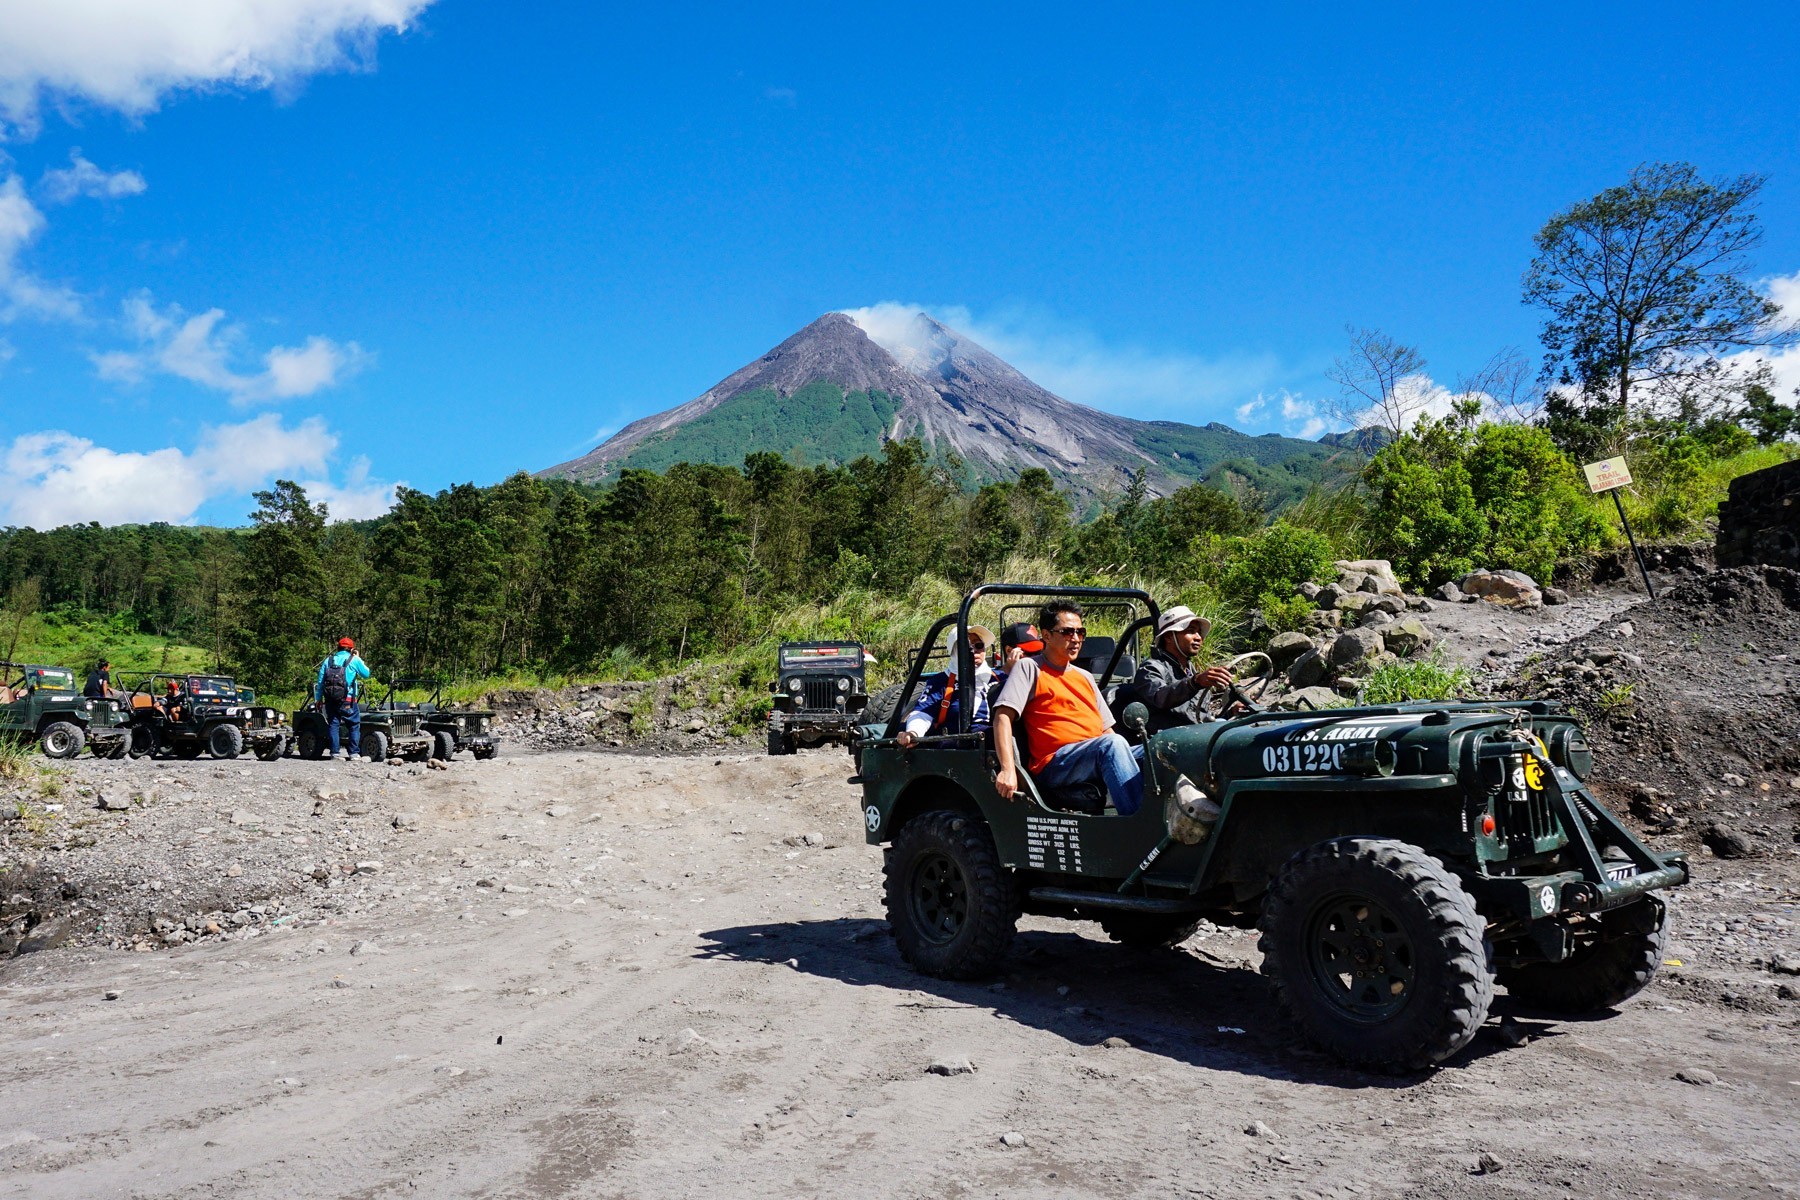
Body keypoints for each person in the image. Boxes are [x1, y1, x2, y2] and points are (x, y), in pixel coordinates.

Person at [993, 600, 1145, 815]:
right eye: (1067, 632)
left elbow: (1106, 729)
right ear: (1046, 636)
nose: (1075, 639)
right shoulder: (1029, 667)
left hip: (1094, 751)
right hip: (1056, 762)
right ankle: (1140, 827)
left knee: (1163, 748)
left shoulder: (1084, 676)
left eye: (1080, 632)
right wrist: (1008, 769)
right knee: (1112, 745)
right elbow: (1002, 717)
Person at [1132, 605, 1237, 733]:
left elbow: (1199, 718)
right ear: (1169, 637)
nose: (1198, 637)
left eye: (1199, 632)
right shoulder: (1150, 669)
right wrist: (1195, 682)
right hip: (1167, 742)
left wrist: (1230, 713)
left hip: (1196, 735)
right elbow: (1161, 698)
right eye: (1191, 631)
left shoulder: (1190, 671)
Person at [896, 625, 996, 746]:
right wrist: (913, 732)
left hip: (995, 734)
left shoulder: (1000, 677)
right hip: (959, 741)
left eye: (979, 645)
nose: (974, 650)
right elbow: (923, 712)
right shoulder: (941, 681)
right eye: (966, 647)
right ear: (954, 651)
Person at [315, 637, 372, 761]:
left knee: (333, 724)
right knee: (353, 725)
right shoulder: (354, 659)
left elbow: (320, 681)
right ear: (351, 649)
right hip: (348, 699)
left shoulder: (328, 660)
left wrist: (318, 698)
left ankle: (334, 753)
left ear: (338, 647)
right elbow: (367, 674)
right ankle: (353, 753)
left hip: (330, 699)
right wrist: (358, 657)